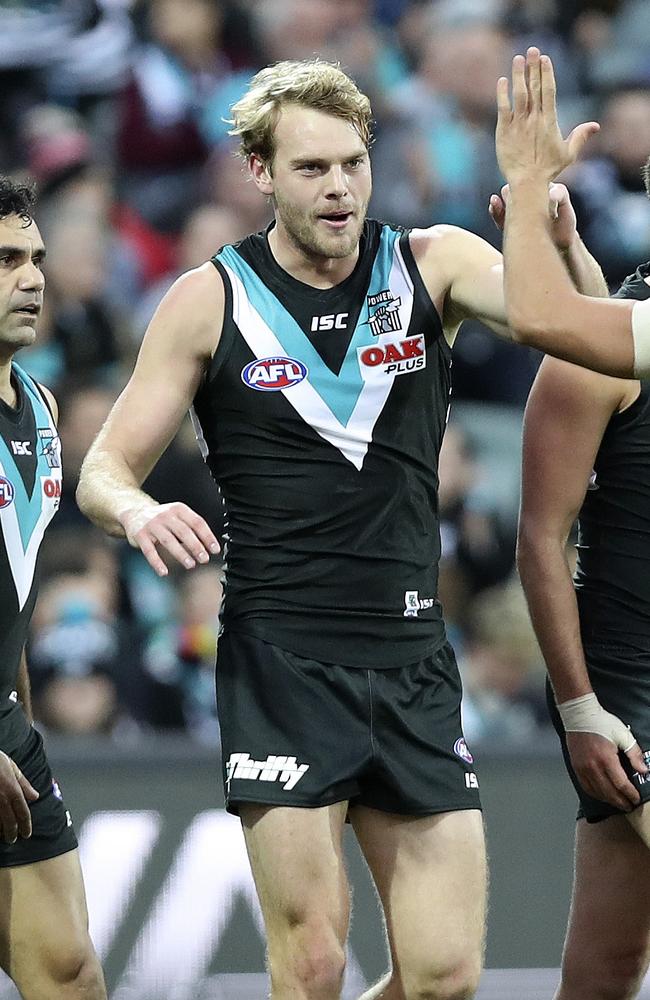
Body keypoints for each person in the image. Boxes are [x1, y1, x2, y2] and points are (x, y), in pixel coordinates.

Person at [76, 60, 605, 1000]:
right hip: (284, 659)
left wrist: (538, 207)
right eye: (313, 167)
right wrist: (139, 507)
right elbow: (103, 471)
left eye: (353, 164)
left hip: (411, 656)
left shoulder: (431, 262)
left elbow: (570, 325)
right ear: (259, 171)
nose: (339, 187)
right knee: (313, 964)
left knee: (445, 977)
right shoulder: (211, 298)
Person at [517, 257, 650, 1000]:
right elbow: (540, 537)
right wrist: (580, 709)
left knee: (607, 963)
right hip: (632, 687)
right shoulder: (595, 353)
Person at [0, 177, 106, 998]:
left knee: (67, 972)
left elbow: (18, 589)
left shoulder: (39, 407)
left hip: (8, 729)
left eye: (36, 259)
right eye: (6, 260)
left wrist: (20, 720)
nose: (33, 278)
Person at [495, 45, 650, 381]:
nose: (635, 134)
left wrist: (528, 180)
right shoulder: (577, 194)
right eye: (624, 124)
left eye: (642, 124)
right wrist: (567, 244)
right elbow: (602, 320)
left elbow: (539, 320)